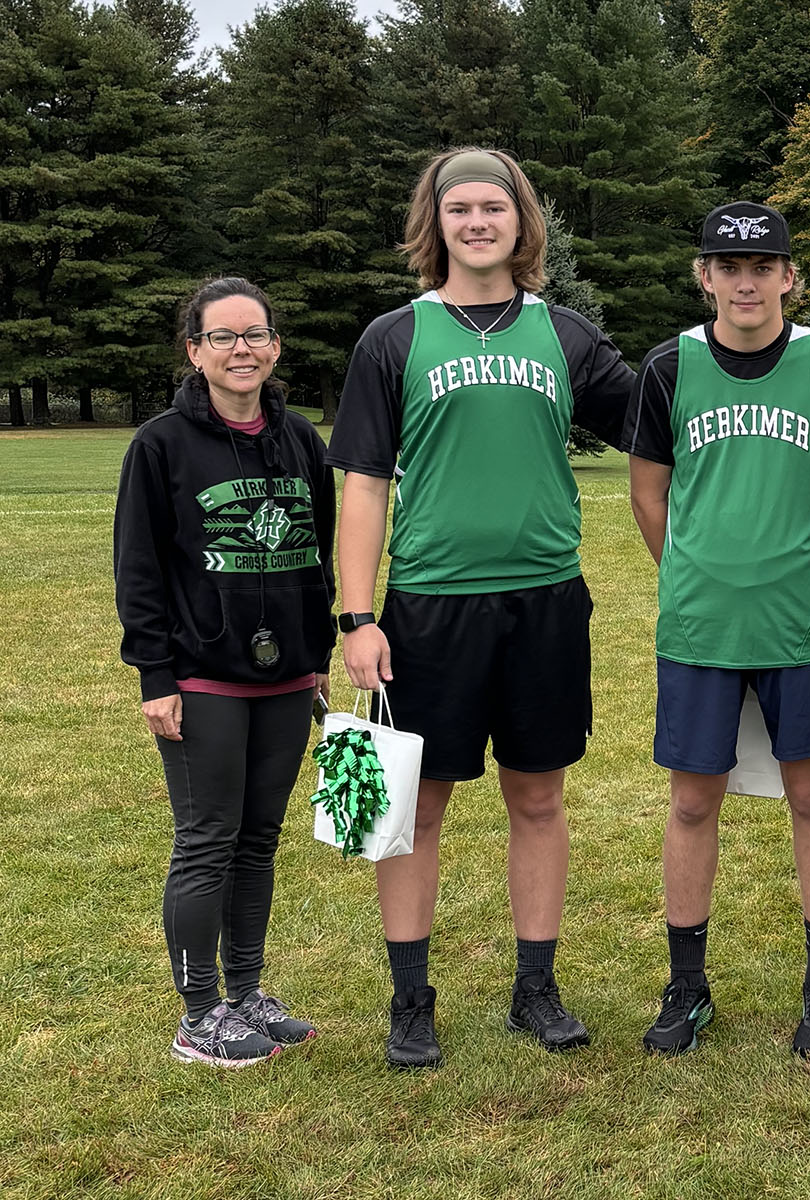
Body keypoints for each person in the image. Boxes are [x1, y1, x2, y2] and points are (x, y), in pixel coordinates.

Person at [329, 147, 634, 1068]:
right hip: (428, 606)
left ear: (520, 221)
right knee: (418, 807)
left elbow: (661, 422)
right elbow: (365, 487)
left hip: (544, 601)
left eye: (492, 208)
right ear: (437, 224)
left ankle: (534, 989)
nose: (476, 222)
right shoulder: (394, 337)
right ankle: (410, 998)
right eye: (457, 208)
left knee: (538, 797)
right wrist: (356, 617)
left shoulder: (567, 335)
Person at [623, 201, 810, 1057]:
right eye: (729, 267)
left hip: (800, 626)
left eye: (764, 266)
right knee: (693, 801)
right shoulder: (668, 367)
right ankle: (687, 986)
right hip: (700, 628)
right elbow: (647, 493)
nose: (747, 281)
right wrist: (690, 573)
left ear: (790, 275)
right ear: (706, 277)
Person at [115, 277, 336, 1066]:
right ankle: (198, 1013)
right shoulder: (162, 444)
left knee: (260, 839)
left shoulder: (302, 439)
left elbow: (317, 555)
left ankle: (245, 993)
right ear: (195, 351)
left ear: (275, 346)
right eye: (222, 337)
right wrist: (154, 676)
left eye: (254, 335)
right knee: (208, 838)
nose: (240, 349)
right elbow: (138, 568)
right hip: (202, 676)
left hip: (286, 678)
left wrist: (315, 658)